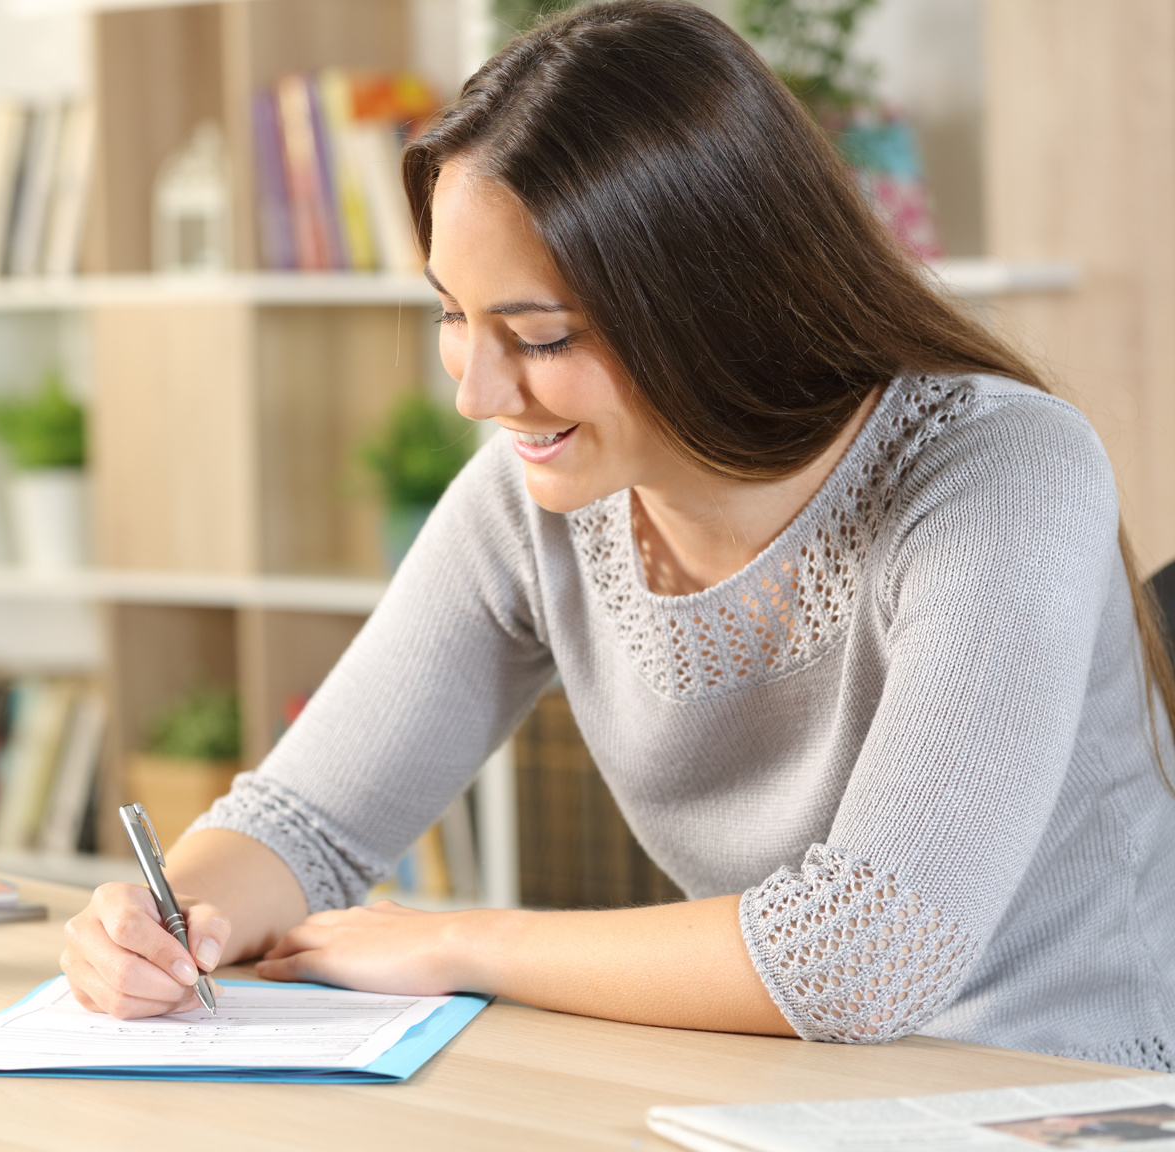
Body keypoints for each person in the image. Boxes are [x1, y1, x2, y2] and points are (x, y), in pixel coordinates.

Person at [60, 0, 1175, 1069]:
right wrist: (171, 925)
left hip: (1065, 1091)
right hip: (789, 1089)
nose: (479, 393)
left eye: (538, 337)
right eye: (454, 316)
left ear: (709, 302)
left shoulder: (999, 470)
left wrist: (459, 942)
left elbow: (869, 954)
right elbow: (304, 821)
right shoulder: (538, 496)